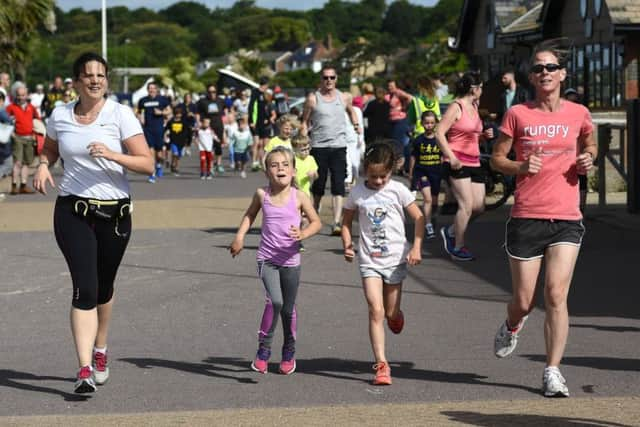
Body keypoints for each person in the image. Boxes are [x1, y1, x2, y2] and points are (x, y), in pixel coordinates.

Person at [32, 52, 154, 394]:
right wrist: (43, 164)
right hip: (72, 211)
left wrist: (113, 154)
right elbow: (51, 149)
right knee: (84, 288)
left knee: (103, 288)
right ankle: (84, 368)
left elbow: (147, 164)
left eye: (101, 75)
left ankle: (101, 348)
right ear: (76, 82)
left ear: (107, 81)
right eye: (88, 76)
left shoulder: (121, 115)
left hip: (114, 216)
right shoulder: (60, 115)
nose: (95, 80)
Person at [490, 40, 596, 398]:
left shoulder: (578, 112)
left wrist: (588, 159)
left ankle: (552, 370)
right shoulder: (518, 114)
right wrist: (519, 166)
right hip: (527, 216)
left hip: (566, 216)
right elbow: (496, 158)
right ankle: (512, 323)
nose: (545, 73)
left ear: (562, 74)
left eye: (551, 67)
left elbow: (590, 144)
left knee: (556, 294)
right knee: (524, 300)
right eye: (538, 68)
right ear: (532, 78)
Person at [229, 146, 321, 375]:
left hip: (291, 261)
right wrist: (239, 237)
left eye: (285, 164)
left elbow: (316, 222)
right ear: (267, 172)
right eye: (274, 165)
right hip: (266, 259)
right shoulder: (262, 194)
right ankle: (263, 350)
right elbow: (250, 214)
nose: (280, 168)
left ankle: (289, 350)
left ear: (293, 170)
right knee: (275, 302)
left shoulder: (299, 196)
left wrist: (303, 234)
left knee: (288, 309)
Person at [341, 141, 424, 385]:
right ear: (365, 170)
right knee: (375, 310)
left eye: (383, 176)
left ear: (391, 171)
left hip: (396, 259)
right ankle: (382, 365)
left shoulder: (398, 190)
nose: (378, 181)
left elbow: (418, 217)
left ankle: (397, 316)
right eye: (373, 176)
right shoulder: (357, 193)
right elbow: (346, 222)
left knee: (390, 313)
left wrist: (417, 247)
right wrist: (347, 245)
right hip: (369, 261)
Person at [435, 72, 493, 261]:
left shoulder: (475, 106)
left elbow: (471, 133)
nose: (482, 90)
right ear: (473, 88)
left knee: (479, 207)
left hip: (474, 160)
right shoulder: (456, 106)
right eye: (481, 87)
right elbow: (439, 133)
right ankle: (458, 247)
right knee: (466, 205)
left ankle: (451, 231)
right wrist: (450, 156)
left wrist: (484, 135)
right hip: (457, 160)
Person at [302, 65, 359, 236]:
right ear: (321, 80)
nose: (329, 81)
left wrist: (356, 124)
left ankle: (336, 222)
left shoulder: (344, 97)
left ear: (336, 79)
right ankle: (314, 217)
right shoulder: (313, 99)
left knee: (338, 185)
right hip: (319, 146)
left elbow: (352, 112)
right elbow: (305, 121)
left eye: (332, 78)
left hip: (338, 146)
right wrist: (303, 139)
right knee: (318, 185)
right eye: (325, 78)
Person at [409, 111, 442, 239]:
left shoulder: (439, 140)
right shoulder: (418, 140)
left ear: (436, 124)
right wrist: (411, 173)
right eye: (426, 123)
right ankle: (428, 225)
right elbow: (413, 157)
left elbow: (443, 156)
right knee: (427, 199)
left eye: (432, 123)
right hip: (422, 172)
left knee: (434, 201)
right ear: (422, 123)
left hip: (436, 173)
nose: (429, 125)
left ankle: (432, 217)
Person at [6, 84, 40, 195]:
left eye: (23, 95)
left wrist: (36, 134)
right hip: (17, 138)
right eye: (19, 95)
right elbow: (3, 121)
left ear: (27, 95)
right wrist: (11, 133)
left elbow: (38, 121)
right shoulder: (11, 107)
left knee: (26, 163)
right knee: (18, 162)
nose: (20, 97)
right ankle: (14, 185)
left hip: (29, 138)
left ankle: (23, 185)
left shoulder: (31, 107)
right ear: (15, 95)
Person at [137, 81, 170, 183]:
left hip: (159, 129)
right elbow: (138, 112)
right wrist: (140, 119)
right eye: (149, 88)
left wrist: (161, 112)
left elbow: (169, 111)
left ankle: (159, 165)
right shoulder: (143, 100)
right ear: (147, 90)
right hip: (148, 129)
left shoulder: (162, 100)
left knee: (159, 154)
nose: (151, 90)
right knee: (150, 152)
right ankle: (152, 173)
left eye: (153, 88)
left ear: (156, 89)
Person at [196, 84, 227, 174]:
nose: (211, 93)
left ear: (216, 92)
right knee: (209, 147)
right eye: (210, 92)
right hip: (208, 127)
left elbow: (225, 111)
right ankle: (211, 166)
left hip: (219, 125)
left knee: (218, 146)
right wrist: (198, 122)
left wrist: (226, 120)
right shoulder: (203, 101)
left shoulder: (220, 100)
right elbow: (198, 112)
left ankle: (219, 164)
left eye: (213, 92)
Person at [385, 79, 413, 173]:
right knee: (395, 143)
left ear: (396, 86)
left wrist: (405, 107)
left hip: (400, 120)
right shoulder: (390, 95)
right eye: (389, 86)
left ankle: (404, 166)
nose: (390, 88)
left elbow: (410, 98)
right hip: (392, 121)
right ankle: (399, 166)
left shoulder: (398, 93)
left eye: (392, 86)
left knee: (400, 144)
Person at [249, 77, 270, 171]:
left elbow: (266, 109)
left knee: (261, 144)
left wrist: (267, 119)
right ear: (264, 85)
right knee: (256, 143)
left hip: (263, 122)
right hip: (255, 122)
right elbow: (251, 107)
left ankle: (261, 162)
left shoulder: (265, 94)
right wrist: (251, 121)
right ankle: (254, 162)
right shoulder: (255, 92)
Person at [164, 106, 191, 176]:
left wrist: (188, 142)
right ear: (174, 114)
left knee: (178, 156)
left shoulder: (184, 122)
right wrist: (165, 135)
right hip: (173, 141)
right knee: (175, 154)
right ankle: (173, 166)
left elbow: (188, 132)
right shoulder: (171, 122)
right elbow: (166, 129)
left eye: (179, 114)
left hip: (181, 142)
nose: (178, 115)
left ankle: (175, 166)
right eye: (176, 114)